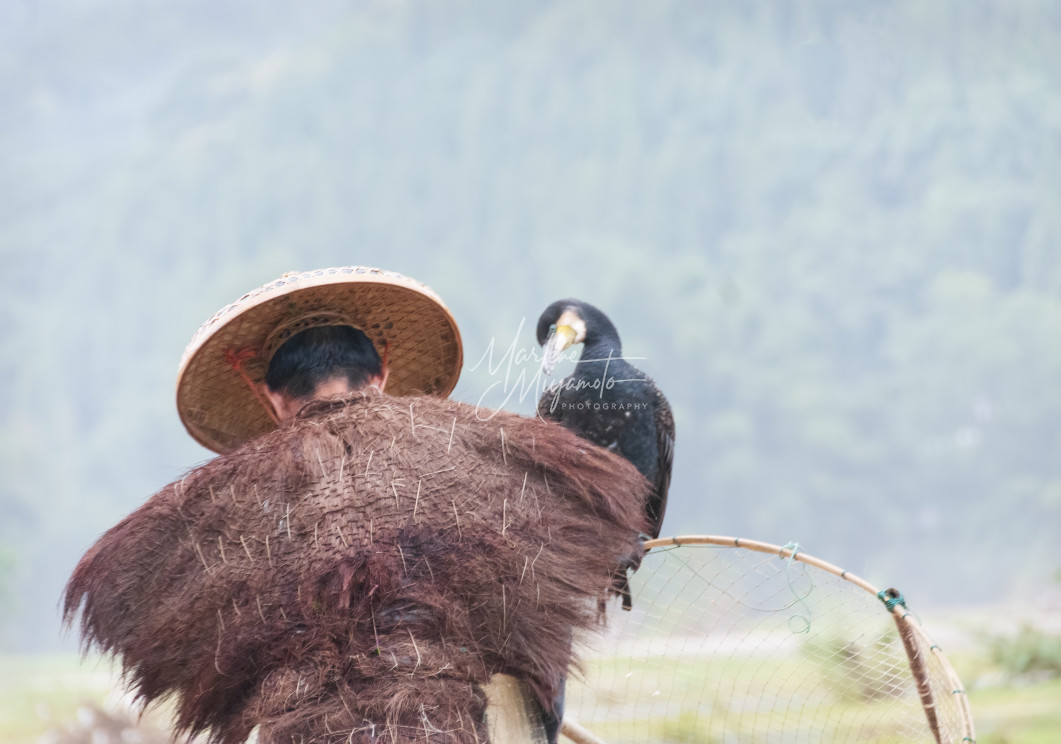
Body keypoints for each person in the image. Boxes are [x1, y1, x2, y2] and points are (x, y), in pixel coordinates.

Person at [66, 266, 649, 744]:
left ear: (269, 397)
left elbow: (114, 595)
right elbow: (608, 514)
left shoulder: (225, 507)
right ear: (383, 371)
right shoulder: (483, 452)